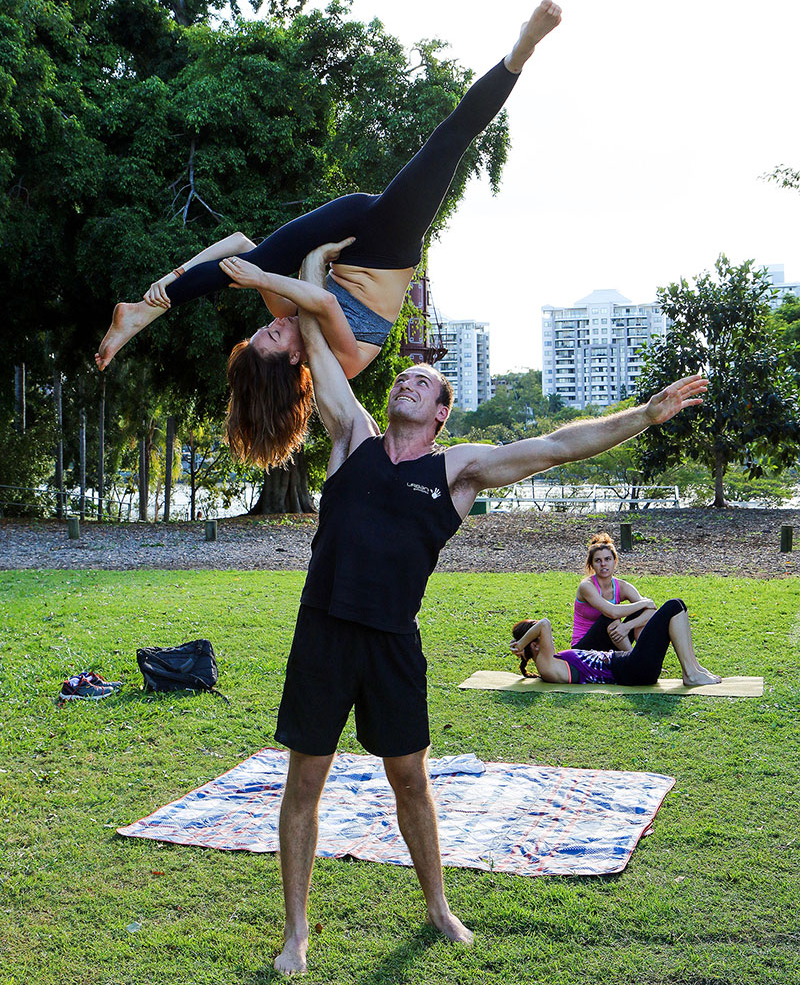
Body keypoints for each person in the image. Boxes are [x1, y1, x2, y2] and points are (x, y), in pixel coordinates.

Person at [270, 228, 708, 973]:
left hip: (391, 643)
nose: (407, 382)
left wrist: (644, 414)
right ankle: (297, 931)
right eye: (402, 379)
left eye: (424, 386)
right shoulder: (354, 436)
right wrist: (312, 274)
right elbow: (313, 342)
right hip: (323, 633)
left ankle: (438, 907)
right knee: (304, 779)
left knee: (410, 777)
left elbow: (557, 446)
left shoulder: (458, 470)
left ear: (442, 414)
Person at [94, 0, 565, 469]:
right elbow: (325, 304)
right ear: (295, 359)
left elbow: (237, 244)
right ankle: (520, 52)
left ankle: (142, 313)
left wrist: (174, 280)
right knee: (450, 140)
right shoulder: (335, 365)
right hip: (388, 245)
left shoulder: (286, 312)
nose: (273, 324)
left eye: (265, 329)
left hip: (349, 228)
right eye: (273, 337)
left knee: (249, 265)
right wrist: (260, 279)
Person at [510, 603, 721, 687]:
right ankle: (690, 675)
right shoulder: (546, 665)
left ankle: (694, 669)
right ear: (535, 645)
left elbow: (542, 627)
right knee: (673, 606)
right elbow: (544, 624)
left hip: (631, 666)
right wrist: (521, 643)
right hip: (632, 668)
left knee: (679, 607)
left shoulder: (553, 661)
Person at [571, 531, 658, 652]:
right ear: (591, 565)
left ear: (615, 561)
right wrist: (644, 602)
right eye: (598, 560)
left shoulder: (622, 586)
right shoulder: (586, 586)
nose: (603, 564)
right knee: (609, 618)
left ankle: (641, 655)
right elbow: (612, 612)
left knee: (640, 613)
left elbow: (652, 610)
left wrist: (627, 626)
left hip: (611, 640)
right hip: (583, 648)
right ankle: (631, 659)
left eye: (607, 559)